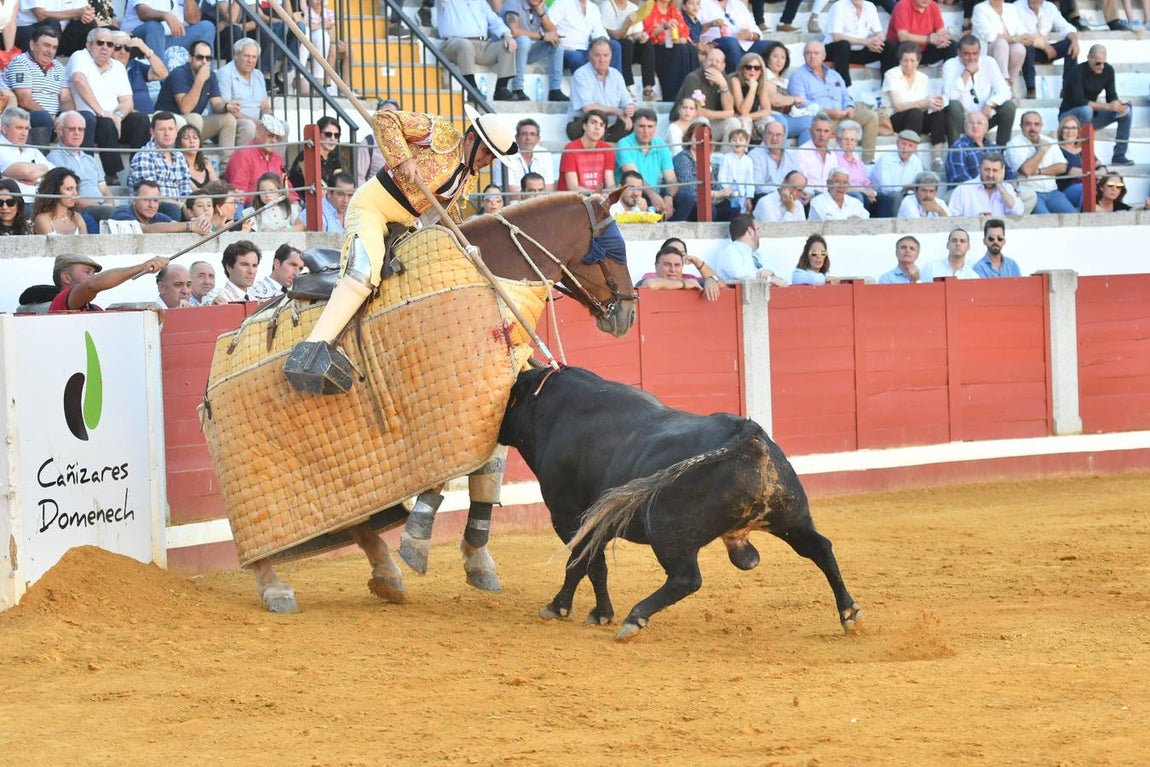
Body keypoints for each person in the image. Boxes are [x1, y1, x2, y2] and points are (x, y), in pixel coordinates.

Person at [283, 104, 519, 395]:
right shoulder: (439, 133)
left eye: (493, 158)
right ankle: (311, 350)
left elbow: (443, 217)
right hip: (373, 208)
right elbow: (385, 119)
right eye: (486, 153)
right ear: (471, 139)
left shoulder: (466, 178)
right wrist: (403, 158)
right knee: (363, 271)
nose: (487, 162)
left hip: (404, 224)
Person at [66, 27, 151, 182]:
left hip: (111, 120)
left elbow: (127, 101)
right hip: (87, 116)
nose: (105, 47)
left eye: (110, 44)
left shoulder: (118, 66)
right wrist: (103, 112)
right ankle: (107, 174)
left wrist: (118, 116)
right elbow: (79, 80)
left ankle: (139, 171)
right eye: (100, 43)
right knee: (104, 122)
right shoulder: (80, 56)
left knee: (142, 120)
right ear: (89, 45)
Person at [788, 41, 879, 161]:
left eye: (816, 53)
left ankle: (867, 161)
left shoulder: (834, 75)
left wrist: (850, 107)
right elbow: (801, 103)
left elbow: (846, 96)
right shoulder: (798, 76)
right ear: (804, 56)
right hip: (818, 119)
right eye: (808, 53)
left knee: (871, 116)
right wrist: (827, 111)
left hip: (841, 116)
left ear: (824, 56)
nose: (812, 56)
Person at [156, 40, 249, 153]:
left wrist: (226, 106)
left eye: (208, 58)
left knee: (228, 119)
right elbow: (185, 108)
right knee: (195, 118)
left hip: (193, 126)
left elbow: (216, 104)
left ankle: (226, 167)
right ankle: (192, 164)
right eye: (200, 57)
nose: (204, 62)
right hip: (169, 126)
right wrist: (199, 81)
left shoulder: (211, 75)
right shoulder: (179, 74)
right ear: (190, 58)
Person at [1058, 44, 1133, 167]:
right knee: (1086, 110)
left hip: (1091, 115)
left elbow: (1111, 96)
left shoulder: (1108, 70)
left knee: (1127, 111)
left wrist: (1118, 103)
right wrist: (1108, 107)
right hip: (1068, 117)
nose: (1101, 66)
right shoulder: (1077, 71)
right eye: (1098, 63)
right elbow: (1080, 100)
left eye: (1104, 63)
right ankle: (1087, 154)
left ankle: (1119, 155)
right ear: (1089, 58)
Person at [4, 26, 74, 147]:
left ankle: (81, 162)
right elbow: (24, 100)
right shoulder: (21, 62)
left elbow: (66, 99)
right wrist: (51, 118)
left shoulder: (58, 67)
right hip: (29, 119)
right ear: (32, 45)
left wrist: (65, 118)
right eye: (46, 45)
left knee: (81, 119)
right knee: (42, 117)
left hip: (53, 121)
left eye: (54, 47)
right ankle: (41, 160)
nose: (50, 51)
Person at [436, 0, 519, 101]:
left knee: (506, 45)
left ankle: (501, 89)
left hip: (482, 44)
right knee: (465, 45)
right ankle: (472, 88)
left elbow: (494, 21)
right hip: (454, 43)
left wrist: (507, 35)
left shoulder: (480, 2)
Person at [942, 35, 1017, 147]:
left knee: (1009, 107)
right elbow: (950, 96)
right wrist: (966, 73)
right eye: (967, 54)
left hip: (985, 116)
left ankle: (1002, 151)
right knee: (953, 105)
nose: (971, 58)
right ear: (959, 52)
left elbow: (1005, 91)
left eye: (975, 54)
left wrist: (990, 104)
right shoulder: (950, 65)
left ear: (980, 52)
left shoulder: (989, 62)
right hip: (962, 119)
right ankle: (955, 150)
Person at [882, 42, 946, 168]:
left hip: (916, 119)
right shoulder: (891, 75)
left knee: (937, 112)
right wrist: (923, 103)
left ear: (918, 61)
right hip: (896, 119)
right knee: (915, 112)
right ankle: (914, 158)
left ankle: (937, 158)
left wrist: (934, 103)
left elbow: (925, 103)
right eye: (905, 61)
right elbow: (898, 106)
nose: (909, 64)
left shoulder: (923, 78)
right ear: (900, 60)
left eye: (912, 61)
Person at [565, 37, 634, 142]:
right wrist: (618, 112)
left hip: (608, 126)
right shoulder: (580, 74)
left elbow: (628, 102)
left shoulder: (616, 75)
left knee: (639, 118)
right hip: (583, 124)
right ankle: (603, 140)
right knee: (593, 121)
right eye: (597, 55)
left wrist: (629, 110)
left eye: (606, 55)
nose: (602, 60)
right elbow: (588, 109)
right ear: (590, 56)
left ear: (611, 56)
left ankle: (605, 140)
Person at [1005, 110, 1075, 215]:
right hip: (1032, 193)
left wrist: (1038, 171)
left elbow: (1062, 167)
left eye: (1036, 124)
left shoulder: (1050, 141)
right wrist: (1041, 150)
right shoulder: (1014, 144)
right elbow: (1027, 170)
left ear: (1041, 126)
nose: (1033, 128)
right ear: (1021, 126)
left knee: (1074, 216)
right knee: (1047, 221)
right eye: (1028, 124)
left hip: (1053, 192)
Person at [50, 252, 169, 312]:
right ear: (66, 277)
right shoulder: (62, 301)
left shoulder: (95, 308)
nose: (92, 276)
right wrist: (142, 267)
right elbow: (92, 285)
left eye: (93, 273)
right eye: (87, 272)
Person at [128, 111, 191, 220]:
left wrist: (189, 206)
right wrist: (180, 205)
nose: (167, 133)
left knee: (202, 207)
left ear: (176, 132)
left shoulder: (180, 156)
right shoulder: (144, 156)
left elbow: (186, 189)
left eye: (171, 129)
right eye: (162, 129)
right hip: (151, 207)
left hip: (178, 206)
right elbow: (150, 195)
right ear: (152, 132)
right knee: (172, 209)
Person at [671, 46, 741, 143]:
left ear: (723, 66)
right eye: (710, 60)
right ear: (704, 63)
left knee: (734, 123)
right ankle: (701, 157)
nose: (713, 63)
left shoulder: (724, 79)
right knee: (702, 122)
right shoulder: (693, 78)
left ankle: (725, 156)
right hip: (687, 123)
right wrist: (724, 114)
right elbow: (695, 111)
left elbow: (729, 108)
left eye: (718, 61)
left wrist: (724, 86)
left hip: (710, 123)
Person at [616, 106, 677, 217]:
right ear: (634, 126)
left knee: (686, 199)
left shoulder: (661, 145)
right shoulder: (624, 144)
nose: (646, 131)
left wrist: (669, 197)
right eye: (641, 126)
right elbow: (635, 179)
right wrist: (652, 195)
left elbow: (672, 179)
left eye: (650, 126)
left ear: (655, 127)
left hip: (654, 193)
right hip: (633, 194)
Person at [503, 0, 566, 102]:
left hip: (528, 51)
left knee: (556, 43)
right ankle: (517, 89)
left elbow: (552, 32)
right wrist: (542, 36)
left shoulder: (540, 6)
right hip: (509, 50)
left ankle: (555, 90)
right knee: (524, 40)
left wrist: (540, 11)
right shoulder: (513, 3)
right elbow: (514, 31)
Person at [1015, 0, 1079, 101]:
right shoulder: (1017, 6)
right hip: (1027, 49)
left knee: (1070, 45)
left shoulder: (1049, 7)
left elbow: (1066, 27)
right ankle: (1031, 88)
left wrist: (1075, 40)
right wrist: (1044, 45)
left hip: (1045, 50)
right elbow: (1020, 34)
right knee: (1027, 46)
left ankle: (1067, 88)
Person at [120, 0, 215, 65]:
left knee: (206, 27)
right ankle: (163, 79)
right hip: (139, 37)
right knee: (154, 26)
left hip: (169, 38)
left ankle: (205, 76)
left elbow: (194, 19)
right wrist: (166, 16)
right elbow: (143, 12)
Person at [225, 113, 288, 204]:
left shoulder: (277, 158)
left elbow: (286, 185)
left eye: (277, 138)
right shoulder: (244, 154)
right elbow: (238, 193)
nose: (274, 141)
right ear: (258, 132)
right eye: (270, 135)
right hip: (251, 207)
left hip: (274, 206)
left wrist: (295, 202)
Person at [549, 0, 624, 77]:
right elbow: (547, 27)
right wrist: (560, 43)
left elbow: (599, 31)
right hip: (567, 50)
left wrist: (602, 43)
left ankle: (615, 84)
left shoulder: (593, 8)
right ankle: (593, 85)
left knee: (614, 46)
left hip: (586, 49)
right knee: (577, 59)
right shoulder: (562, 3)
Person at [697, 0, 774, 75]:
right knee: (731, 42)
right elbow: (693, 29)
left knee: (773, 46)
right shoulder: (701, 4)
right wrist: (710, 24)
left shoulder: (738, 4)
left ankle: (771, 83)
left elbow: (756, 31)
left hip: (745, 45)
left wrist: (750, 35)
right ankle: (736, 80)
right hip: (717, 44)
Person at [600, 0, 656, 100]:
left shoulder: (633, 7)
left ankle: (648, 88)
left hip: (630, 47)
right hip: (615, 47)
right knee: (626, 43)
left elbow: (636, 32)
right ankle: (627, 86)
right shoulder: (606, 6)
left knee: (646, 44)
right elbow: (615, 35)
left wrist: (642, 36)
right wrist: (626, 23)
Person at [217, 37, 271, 139]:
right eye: (246, 56)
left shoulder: (258, 74)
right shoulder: (225, 73)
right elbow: (228, 108)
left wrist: (268, 120)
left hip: (256, 122)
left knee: (283, 127)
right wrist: (253, 122)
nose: (250, 61)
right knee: (249, 126)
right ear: (236, 55)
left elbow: (265, 106)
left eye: (254, 57)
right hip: (234, 123)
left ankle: (275, 156)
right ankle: (244, 156)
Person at [823, 0, 885, 87]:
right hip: (835, 50)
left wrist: (875, 42)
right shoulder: (839, 6)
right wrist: (866, 42)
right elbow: (836, 37)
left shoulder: (870, 6)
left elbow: (880, 33)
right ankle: (845, 88)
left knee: (889, 46)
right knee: (843, 45)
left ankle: (886, 88)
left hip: (858, 51)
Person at [881, 0, 957, 73]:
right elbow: (903, 37)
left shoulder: (933, 6)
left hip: (922, 52)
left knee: (951, 45)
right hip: (901, 53)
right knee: (890, 45)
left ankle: (950, 81)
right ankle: (888, 82)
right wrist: (929, 39)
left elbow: (941, 30)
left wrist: (942, 39)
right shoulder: (903, 5)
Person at [971, 0, 1027, 97]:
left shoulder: (1010, 8)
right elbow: (989, 35)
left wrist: (1022, 38)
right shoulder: (980, 8)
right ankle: (1003, 82)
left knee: (1019, 48)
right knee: (1001, 43)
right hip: (988, 48)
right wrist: (1014, 38)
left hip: (1010, 47)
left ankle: (1011, 84)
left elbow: (1021, 30)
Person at [760, 41, 813, 144]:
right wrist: (793, 99)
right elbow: (774, 100)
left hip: (785, 116)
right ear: (767, 58)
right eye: (775, 56)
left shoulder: (784, 80)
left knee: (810, 122)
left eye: (783, 58)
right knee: (781, 123)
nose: (779, 61)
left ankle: (806, 157)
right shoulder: (764, 75)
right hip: (768, 116)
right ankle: (780, 156)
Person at [642, 0, 694, 104]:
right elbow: (647, 33)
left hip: (674, 46)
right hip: (655, 48)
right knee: (680, 50)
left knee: (691, 50)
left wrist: (680, 40)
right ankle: (674, 96)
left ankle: (692, 93)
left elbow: (685, 32)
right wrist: (664, 28)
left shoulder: (673, 10)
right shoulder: (649, 9)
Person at [710, 214, 786, 284]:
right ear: (750, 231)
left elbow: (782, 276)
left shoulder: (756, 255)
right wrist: (767, 278)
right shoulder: (730, 251)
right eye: (758, 229)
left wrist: (772, 273)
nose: (760, 235)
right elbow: (737, 274)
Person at [297, 0, 352, 95]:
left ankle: (346, 87)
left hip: (327, 41)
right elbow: (308, 27)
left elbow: (332, 32)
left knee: (349, 50)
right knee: (332, 50)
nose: (319, 1)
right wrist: (323, 25)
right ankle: (327, 84)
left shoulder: (328, 12)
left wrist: (335, 41)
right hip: (314, 42)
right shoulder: (307, 11)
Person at [945, 109, 1013, 185]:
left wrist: (1013, 187)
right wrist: (984, 189)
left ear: (986, 128)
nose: (975, 126)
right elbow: (959, 177)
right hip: (967, 192)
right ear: (965, 127)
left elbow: (1008, 171)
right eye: (971, 123)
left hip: (993, 191)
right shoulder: (958, 147)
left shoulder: (994, 148)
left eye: (979, 123)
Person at [637, 242, 724, 301]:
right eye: (667, 264)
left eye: (677, 265)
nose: (673, 270)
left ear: (682, 266)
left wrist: (711, 279)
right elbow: (649, 284)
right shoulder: (689, 282)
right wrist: (684, 284)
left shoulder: (693, 282)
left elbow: (725, 286)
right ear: (656, 266)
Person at [109, 30, 168, 118]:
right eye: (117, 47)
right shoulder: (106, 69)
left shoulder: (135, 65)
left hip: (150, 117)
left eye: (127, 48)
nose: (123, 51)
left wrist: (146, 50)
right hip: (128, 117)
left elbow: (162, 74)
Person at [0, 106, 53, 201]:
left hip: (39, 202)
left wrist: (37, 180)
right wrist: (42, 169)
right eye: (19, 128)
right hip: (14, 205)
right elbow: (26, 172)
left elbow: (55, 174)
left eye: (27, 128)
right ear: (4, 129)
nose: (24, 133)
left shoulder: (31, 149)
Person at [948, 153, 1023, 217]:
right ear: (979, 169)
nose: (990, 175)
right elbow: (952, 218)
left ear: (1002, 170)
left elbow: (1018, 212)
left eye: (995, 170)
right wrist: (975, 221)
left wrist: (1000, 187)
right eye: (987, 170)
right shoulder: (963, 189)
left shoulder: (1006, 188)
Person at [557, 109, 615, 192]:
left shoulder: (607, 149)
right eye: (593, 122)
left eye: (601, 125)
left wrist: (614, 192)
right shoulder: (571, 149)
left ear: (604, 131)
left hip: (597, 199)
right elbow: (573, 187)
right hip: (572, 200)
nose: (597, 128)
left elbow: (610, 183)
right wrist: (596, 196)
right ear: (584, 126)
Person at [870, 128, 923, 218]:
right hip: (881, 197)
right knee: (897, 197)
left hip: (905, 195)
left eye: (910, 146)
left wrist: (909, 189)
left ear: (915, 149)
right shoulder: (886, 159)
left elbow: (918, 184)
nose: (906, 148)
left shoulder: (916, 161)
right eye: (903, 144)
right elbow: (886, 189)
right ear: (897, 143)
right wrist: (904, 187)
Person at [287, 115, 346, 195]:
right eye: (328, 134)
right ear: (318, 134)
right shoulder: (307, 156)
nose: (333, 138)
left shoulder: (334, 157)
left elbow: (339, 185)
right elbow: (317, 188)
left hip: (326, 201)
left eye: (336, 135)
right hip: (302, 202)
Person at [111, 177, 195, 233]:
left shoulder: (157, 216)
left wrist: (198, 224)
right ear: (134, 199)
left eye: (155, 200)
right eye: (146, 200)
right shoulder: (122, 215)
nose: (152, 205)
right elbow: (147, 230)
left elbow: (175, 225)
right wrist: (190, 226)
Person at [498, 118, 555, 196]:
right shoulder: (506, 155)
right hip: (513, 205)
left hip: (540, 203)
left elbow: (549, 188)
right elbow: (509, 192)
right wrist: (534, 195)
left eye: (532, 134)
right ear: (516, 138)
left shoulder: (545, 154)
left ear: (538, 139)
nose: (528, 138)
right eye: (524, 134)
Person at [727, 52, 772, 141]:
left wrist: (750, 116)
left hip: (748, 117)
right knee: (745, 121)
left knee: (770, 121)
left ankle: (770, 151)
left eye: (756, 68)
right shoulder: (735, 80)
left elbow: (767, 110)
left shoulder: (760, 82)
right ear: (742, 69)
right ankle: (743, 152)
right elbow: (743, 111)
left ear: (760, 71)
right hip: (733, 118)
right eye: (748, 67)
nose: (752, 71)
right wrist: (752, 88)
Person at [833, 119, 876, 211]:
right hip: (846, 193)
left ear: (857, 142)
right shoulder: (834, 158)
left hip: (863, 193)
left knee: (884, 199)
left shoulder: (858, 160)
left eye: (853, 140)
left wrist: (870, 191)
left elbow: (865, 181)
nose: (849, 143)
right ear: (839, 140)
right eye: (846, 139)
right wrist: (863, 191)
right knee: (858, 197)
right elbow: (841, 184)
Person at [749, 118, 798, 199]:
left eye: (778, 135)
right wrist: (781, 191)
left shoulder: (792, 155)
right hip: (766, 198)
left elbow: (800, 177)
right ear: (764, 135)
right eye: (770, 134)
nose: (774, 138)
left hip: (789, 196)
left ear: (783, 137)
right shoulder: (754, 155)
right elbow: (758, 187)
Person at [203, 239, 261, 303]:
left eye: (254, 266)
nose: (251, 271)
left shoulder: (255, 298)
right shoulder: (215, 297)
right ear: (229, 268)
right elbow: (207, 303)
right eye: (244, 265)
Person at [31, 166, 86, 235]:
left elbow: (85, 244)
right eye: (69, 189)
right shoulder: (43, 219)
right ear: (54, 190)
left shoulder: (76, 217)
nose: (75, 194)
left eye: (76, 188)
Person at [796, 113, 839, 193]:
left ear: (831, 134)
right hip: (810, 195)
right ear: (810, 131)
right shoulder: (802, 152)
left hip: (829, 197)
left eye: (826, 131)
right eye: (818, 130)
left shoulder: (833, 155)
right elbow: (801, 183)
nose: (822, 135)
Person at [715, 127, 754, 215]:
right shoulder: (726, 158)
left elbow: (749, 180)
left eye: (741, 140)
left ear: (746, 143)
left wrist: (749, 197)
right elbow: (722, 177)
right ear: (729, 142)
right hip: (728, 195)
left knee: (742, 214)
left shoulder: (748, 160)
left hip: (742, 195)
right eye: (734, 139)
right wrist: (729, 190)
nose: (737, 142)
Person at [1055, 114, 1088, 210]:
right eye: (1066, 128)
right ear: (1061, 131)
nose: (1070, 132)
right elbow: (1068, 170)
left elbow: (1099, 166)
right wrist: (1093, 173)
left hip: (1086, 183)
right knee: (1086, 188)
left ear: (1078, 132)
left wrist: (1100, 170)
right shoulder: (1056, 149)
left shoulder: (1084, 149)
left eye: (1074, 128)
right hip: (1065, 189)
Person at [176, 123, 218, 189]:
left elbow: (217, 185)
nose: (192, 141)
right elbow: (196, 192)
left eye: (195, 138)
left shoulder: (206, 163)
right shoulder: (178, 165)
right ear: (180, 144)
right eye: (186, 138)